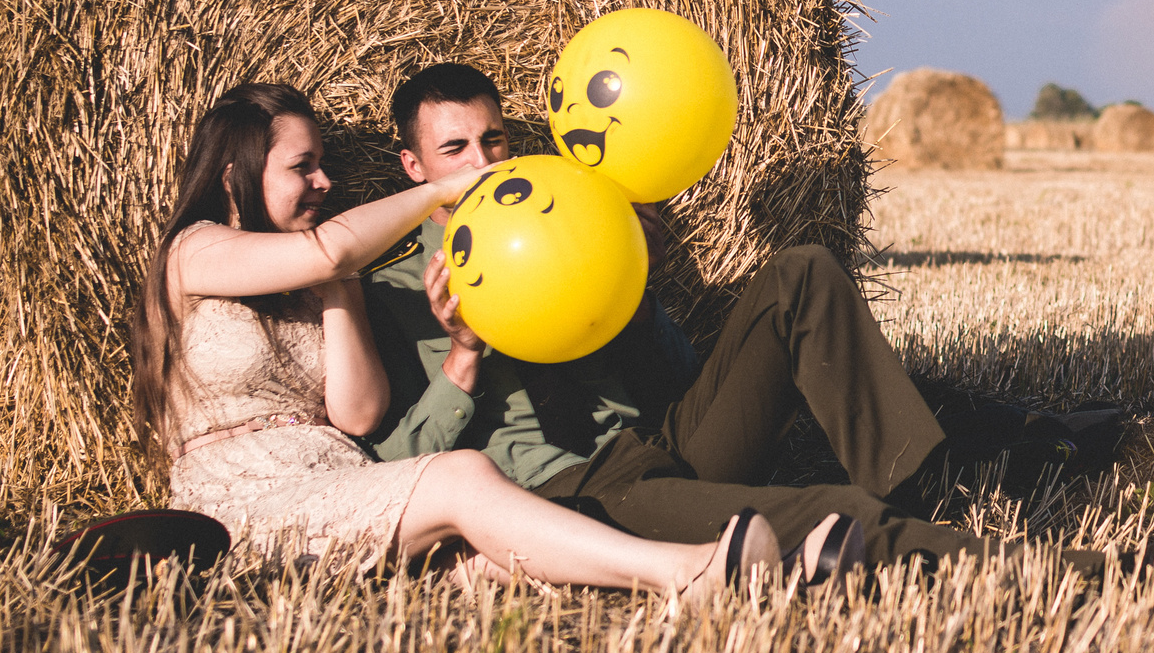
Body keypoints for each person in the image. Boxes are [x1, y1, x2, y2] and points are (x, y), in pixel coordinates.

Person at [362, 63, 1154, 573]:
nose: (484, 164)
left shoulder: (564, 225)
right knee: (830, 513)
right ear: (411, 167)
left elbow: (676, 379)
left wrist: (635, 283)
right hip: (583, 495)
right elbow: (393, 469)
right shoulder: (396, 294)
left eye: (494, 140)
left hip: (665, 438)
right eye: (455, 149)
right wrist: (464, 357)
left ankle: (927, 480)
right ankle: (1081, 569)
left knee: (801, 273)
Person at [133, 81, 866, 593]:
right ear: (234, 176)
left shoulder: (324, 278)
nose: (325, 180)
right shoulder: (192, 251)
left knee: (491, 558)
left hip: (337, 479)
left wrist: (340, 289)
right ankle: (690, 572)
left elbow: (354, 415)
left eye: (325, 162)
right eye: (304, 166)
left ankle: (777, 569)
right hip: (243, 504)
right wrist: (435, 199)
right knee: (462, 480)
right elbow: (331, 249)